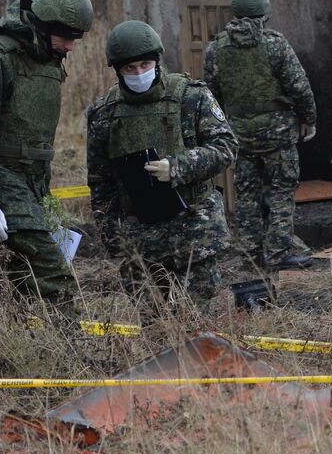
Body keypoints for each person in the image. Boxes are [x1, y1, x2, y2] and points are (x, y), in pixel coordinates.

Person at [0, 0, 94, 314]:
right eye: (65, 36)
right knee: (53, 271)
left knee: (15, 275)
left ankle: (13, 348)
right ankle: (76, 358)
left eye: (77, 38)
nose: (71, 46)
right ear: (42, 27)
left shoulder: (48, 59)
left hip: (34, 185)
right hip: (0, 181)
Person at [88, 21, 237, 309]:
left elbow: (226, 147)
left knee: (199, 328)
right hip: (140, 238)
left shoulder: (191, 96)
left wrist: (178, 166)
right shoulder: (104, 113)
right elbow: (100, 183)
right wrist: (114, 239)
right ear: (117, 69)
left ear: (157, 60)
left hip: (194, 231)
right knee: (154, 327)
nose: (139, 73)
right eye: (130, 68)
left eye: (145, 64)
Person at [203, 0, 317, 270]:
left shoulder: (216, 48)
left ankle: (251, 253)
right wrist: (309, 118)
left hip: (240, 134)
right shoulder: (275, 44)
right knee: (282, 190)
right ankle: (278, 253)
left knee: (246, 195)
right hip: (278, 133)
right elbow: (299, 87)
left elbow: (210, 96)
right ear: (265, 14)